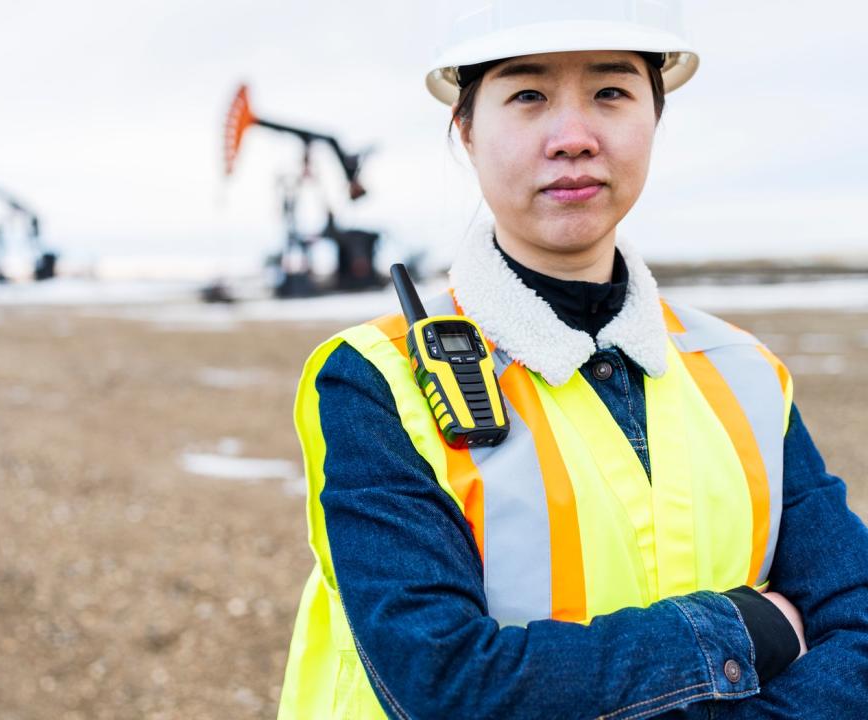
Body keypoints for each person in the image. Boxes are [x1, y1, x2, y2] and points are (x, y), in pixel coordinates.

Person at [278, 2, 868, 718]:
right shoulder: (377, 383)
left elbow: (859, 619)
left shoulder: (744, 372)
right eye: (528, 95)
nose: (573, 137)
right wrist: (743, 630)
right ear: (464, 128)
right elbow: (447, 684)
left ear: (657, 114)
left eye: (611, 92)